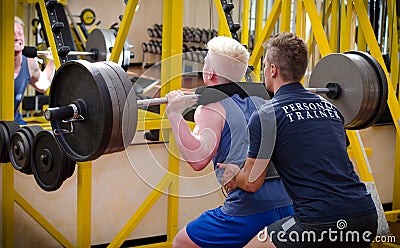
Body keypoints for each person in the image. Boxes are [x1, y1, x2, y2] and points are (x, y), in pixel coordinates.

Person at [219, 32, 378, 247]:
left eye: (265, 65)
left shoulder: (266, 115)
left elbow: (251, 182)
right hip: (365, 216)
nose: (265, 70)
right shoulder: (331, 109)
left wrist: (233, 174)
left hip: (320, 223)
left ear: (273, 69)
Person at [165, 36, 294, 248]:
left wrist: (174, 114)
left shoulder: (211, 107)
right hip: (288, 203)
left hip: (249, 208)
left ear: (210, 73)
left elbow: (198, 160)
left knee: (182, 242)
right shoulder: (264, 99)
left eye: (206, 62)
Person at [14, 16, 54, 124]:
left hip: (15, 123)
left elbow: (43, 85)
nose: (17, 37)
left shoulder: (29, 63)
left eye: (20, 33)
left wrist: (52, 60)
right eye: (12, 34)